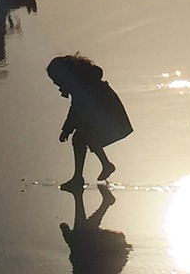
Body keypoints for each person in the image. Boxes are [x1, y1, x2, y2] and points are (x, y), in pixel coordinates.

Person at [47, 53, 133, 190]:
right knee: (83, 136)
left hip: (111, 119)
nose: (55, 83)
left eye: (55, 79)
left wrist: (66, 129)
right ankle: (102, 167)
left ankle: (81, 177)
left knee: (81, 137)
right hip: (108, 116)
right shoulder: (82, 81)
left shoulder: (81, 85)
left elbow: (77, 109)